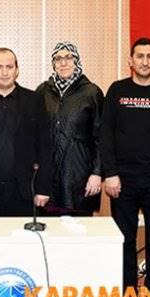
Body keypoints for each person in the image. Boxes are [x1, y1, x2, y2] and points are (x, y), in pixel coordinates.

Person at [100, 37, 150, 291]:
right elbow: (106, 134)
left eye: (149, 56)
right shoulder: (117, 90)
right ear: (131, 61)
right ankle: (128, 290)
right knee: (124, 238)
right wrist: (110, 173)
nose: (144, 61)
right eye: (139, 56)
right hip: (122, 180)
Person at [0, 48, 51, 216]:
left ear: (17, 70)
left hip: (24, 190)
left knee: (22, 233)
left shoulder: (34, 100)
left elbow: (45, 146)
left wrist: (43, 188)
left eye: (9, 67)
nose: (4, 73)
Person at [36, 41, 103, 216]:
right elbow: (35, 136)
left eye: (68, 57)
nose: (63, 63)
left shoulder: (92, 92)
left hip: (80, 179)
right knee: (49, 230)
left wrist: (97, 173)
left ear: (77, 61)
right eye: (58, 59)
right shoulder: (42, 91)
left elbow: (101, 138)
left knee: (78, 230)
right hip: (48, 181)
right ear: (53, 63)